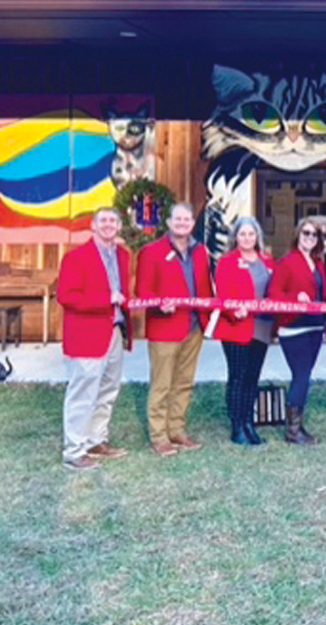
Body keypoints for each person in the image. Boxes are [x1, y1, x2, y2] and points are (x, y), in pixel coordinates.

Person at [57, 207, 133, 471]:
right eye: (103, 220)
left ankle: (95, 441)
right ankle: (74, 451)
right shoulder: (76, 258)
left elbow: (123, 293)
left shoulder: (123, 255)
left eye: (113, 220)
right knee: (83, 393)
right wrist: (106, 300)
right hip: (86, 335)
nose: (109, 225)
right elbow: (66, 297)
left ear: (119, 226)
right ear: (93, 226)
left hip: (114, 331)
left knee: (108, 390)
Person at [136, 202, 213, 456]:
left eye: (187, 220)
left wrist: (210, 316)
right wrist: (159, 304)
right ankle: (159, 436)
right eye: (177, 219)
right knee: (162, 384)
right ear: (168, 223)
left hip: (193, 326)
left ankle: (177, 429)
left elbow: (205, 288)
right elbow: (143, 291)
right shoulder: (151, 251)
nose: (182, 223)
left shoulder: (201, 251)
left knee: (184, 383)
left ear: (193, 224)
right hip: (165, 327)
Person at [268, 217, 326, 446]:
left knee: (304, 377)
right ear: (297, 235)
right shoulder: (287, 262)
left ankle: (297, 424)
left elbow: (324, 295)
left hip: (314, 327)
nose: (310, 238)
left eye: (314, 234)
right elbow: (274, 295)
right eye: (306, 233)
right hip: (294, 328)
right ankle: (293, 431)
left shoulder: (319, 263)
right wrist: (295, 299)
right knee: (301, 376)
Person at [213, 216, 275, 447]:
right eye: (242, 234)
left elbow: (275, 290)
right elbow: (223, 294)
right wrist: (233, 310)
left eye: (251, 234)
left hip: (261, 327)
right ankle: (237, 426)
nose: (247, 238)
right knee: (238, 377)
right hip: (236, 327)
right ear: (235, 237)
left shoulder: (268, 261)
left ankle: (249, 423)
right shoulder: (227, 262)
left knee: (252, 378)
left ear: (257, 236)